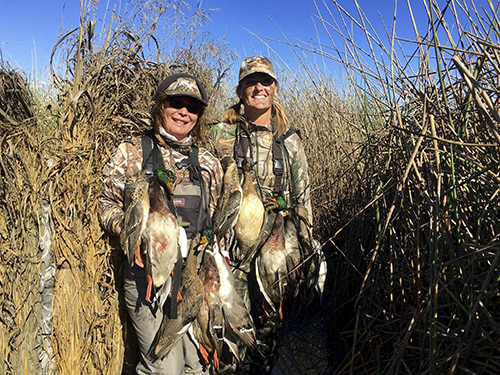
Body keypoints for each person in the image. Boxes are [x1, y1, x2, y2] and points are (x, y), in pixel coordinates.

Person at [98, 73, 223, 374]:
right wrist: (128, 236)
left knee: (198, 368)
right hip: (147, 277)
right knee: (164, 369)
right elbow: (106, 204)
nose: (183, 112)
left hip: (192, 277)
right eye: (175, 103)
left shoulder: (207, 164)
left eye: (192, 107)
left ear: (200, 115)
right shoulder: (132, 152)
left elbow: (215, 221)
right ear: (160, 106)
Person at [209, 56, 321, 374]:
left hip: (274, 260)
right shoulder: (220, 134)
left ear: (275, 88)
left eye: (265, 81)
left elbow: (303, 202)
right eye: (251, 81)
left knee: (267, 342)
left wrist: (302, 257)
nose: (259, 86)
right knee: (229, 338)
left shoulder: (290, 142)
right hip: (231, 258)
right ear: (241, 89)